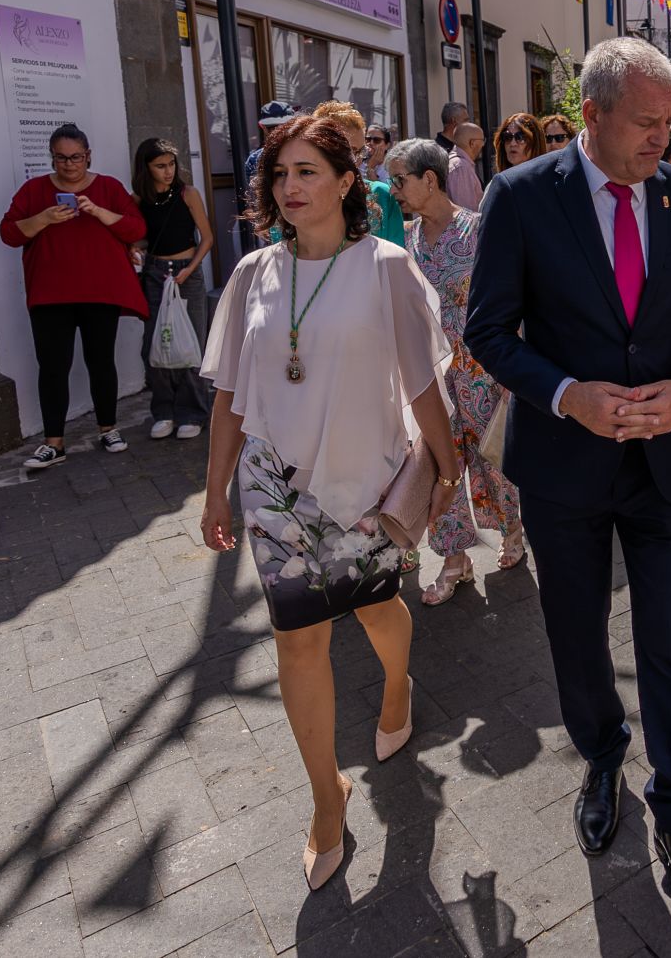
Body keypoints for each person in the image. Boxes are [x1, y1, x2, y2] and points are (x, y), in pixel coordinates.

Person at [464, 37, 671, 926]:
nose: (668, 137)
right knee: (575, 633)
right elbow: (489, 332)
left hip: (660, 468)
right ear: (593, 114)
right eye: (649, 123)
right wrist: (566, 394)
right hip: (563, 468)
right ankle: (603, 752)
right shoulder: (521, 195)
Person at [199, 113, 462, 891]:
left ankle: (394, 687)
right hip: (276, 491)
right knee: (297, 642)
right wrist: (216, 488)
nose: (291, 187)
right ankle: (326, 797)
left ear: (348, 182)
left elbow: (422, 381)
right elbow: (229, 399)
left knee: (380, 611)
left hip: (367, 483)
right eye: (280, 175)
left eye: (307, 171)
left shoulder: (385, 266)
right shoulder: (252, 274)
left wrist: (446, 473)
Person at [385, 139, 526, 604]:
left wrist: (516, 368)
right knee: (440, 463)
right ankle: (454, 559)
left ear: (430, 179)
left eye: (400, 180)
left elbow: (514, 301)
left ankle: (512, 529)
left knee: (493, 459)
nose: (394, 190)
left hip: (483, 367)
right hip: (429, 374)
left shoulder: (481, 231)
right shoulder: (401, 241)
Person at [0, 123, 148, 469]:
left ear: (88, 156)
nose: (69, 165)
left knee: (100, 362)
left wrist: (97, 211)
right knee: (53, 367)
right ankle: (54, 443)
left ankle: (108, 428)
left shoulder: (108, 188)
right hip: (51, 296)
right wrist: (44, 219)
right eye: (61, 158)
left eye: (76, 157)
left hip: (100, 292)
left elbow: (136, 228)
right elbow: (8, 233)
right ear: (51, 158)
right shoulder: (33, 191)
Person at [131, 138, 215, 441]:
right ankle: (164, 411)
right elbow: (143, 237)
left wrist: (190, 269)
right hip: (155, 273)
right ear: (146, 167)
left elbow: (206, 237)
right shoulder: (139, 199)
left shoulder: (188, 194)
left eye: (171, 164)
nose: (168, 171)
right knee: (156, 341)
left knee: (190, 343)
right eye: (160, 166)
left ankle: (193, 412)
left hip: (187, 272)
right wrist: (134, 249)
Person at [313, 101, 405, 246]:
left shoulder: (381, 195)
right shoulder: (298, 199)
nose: (356, 161)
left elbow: (396, 260)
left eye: (360, 151)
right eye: (348, 151)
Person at [244, 100, 296, 188]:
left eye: (284, 126)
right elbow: (256, 194)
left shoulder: (311, 151)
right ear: (262, 127)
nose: (279, 132)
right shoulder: (255, 159)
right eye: (273, 128)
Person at [447, 123, 486, 210]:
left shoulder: (458, 164)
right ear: (472, 143)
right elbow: (467, 214)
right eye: (482, 140)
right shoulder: (461, 168)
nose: (483, 145)